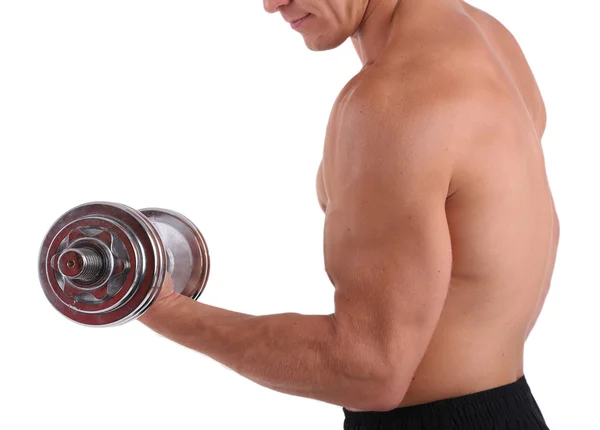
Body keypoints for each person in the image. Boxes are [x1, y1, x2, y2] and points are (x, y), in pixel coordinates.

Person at [138, 0, 558, 428]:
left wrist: (164, 309)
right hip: (512, 410)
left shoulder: (395, 98)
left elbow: (368, 371)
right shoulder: (489, 38)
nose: (271, 4)